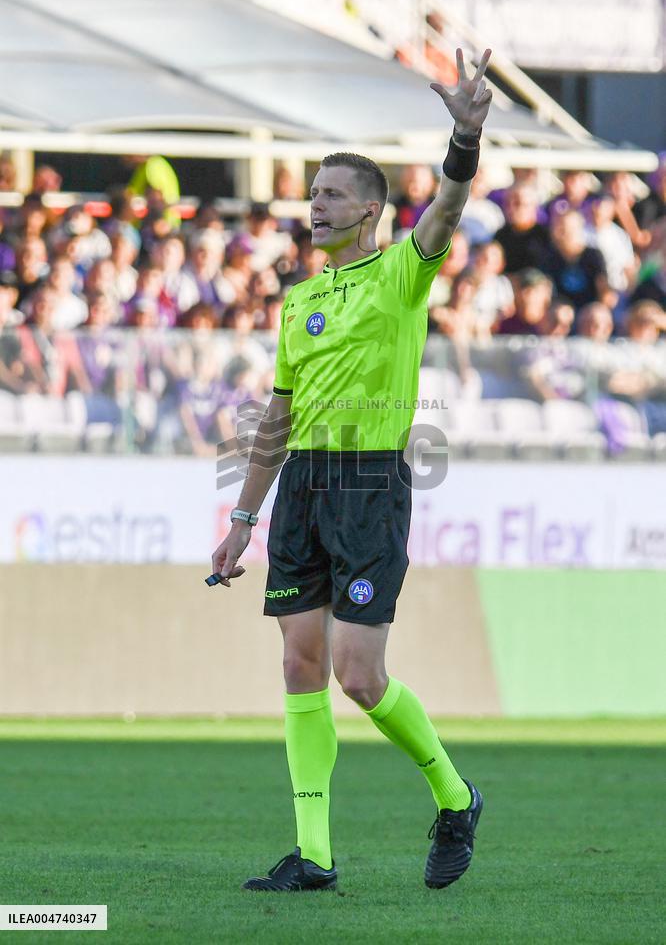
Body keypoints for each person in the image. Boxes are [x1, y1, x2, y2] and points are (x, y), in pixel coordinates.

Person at [211, 47, 493, 893]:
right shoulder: (299, 300)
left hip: (370, 486)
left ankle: (455, 797)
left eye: (332, 194)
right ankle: (315, 856)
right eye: (313, 194)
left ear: (370, 209)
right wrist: (241, 520)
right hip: (302, 486)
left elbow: (447, 207)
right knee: (299, 666)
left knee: (359, 676)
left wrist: (465, 138)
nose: (316, 206)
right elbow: (278, 415)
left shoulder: (403, 272)